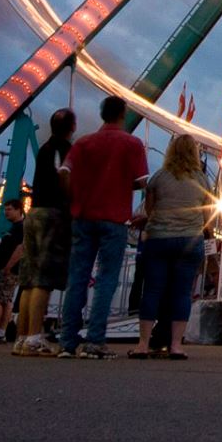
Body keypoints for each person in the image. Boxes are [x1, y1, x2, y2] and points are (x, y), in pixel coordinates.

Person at [60, 96, 151, 358]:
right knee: (106, 279)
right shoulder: (132, 144)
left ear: (102, 114)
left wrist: (73, 199)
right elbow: (144, 182)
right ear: (123, 114)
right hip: (114, 219)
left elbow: (64, 172)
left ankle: (67, 341)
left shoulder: (84, 142)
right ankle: (95, 340)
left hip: (83, 215)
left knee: (77, 277)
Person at [133, 133, 206, 360]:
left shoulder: (160, 176)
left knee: (152, 290)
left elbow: (150, 208)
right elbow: (207, 212)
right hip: (190, 239)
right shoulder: (201, 179)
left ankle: (143, 344)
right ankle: (176, 345)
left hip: (160, 238)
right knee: (182, 293)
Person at [14, 108, 76, 357]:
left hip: (34, 212)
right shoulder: (62, 150)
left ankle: (22, 336)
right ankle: (34, 337)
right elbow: (63, 175)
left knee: (29, 280)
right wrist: (71, 200)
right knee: (43, 279)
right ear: (72, 127)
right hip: (52, 214)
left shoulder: (44, 148)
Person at [0, 198, 26, 344]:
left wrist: (8, 265)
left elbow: (20, 248)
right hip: (9, 268)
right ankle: (0, 332)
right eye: (5, 209)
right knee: (7, 300)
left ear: (18, 210)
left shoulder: (19, 228)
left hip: (6, 268)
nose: (6, 212)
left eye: (9, 209)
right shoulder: (16, 227)